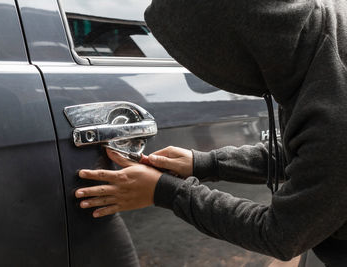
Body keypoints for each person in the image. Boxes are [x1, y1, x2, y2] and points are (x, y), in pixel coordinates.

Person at [75, 0, 347, 266]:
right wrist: (205, 164)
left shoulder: (334, 108)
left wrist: (166, 192)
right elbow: (308, 155)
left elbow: (282, 234)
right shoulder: (314, 36)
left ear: (238, 46)